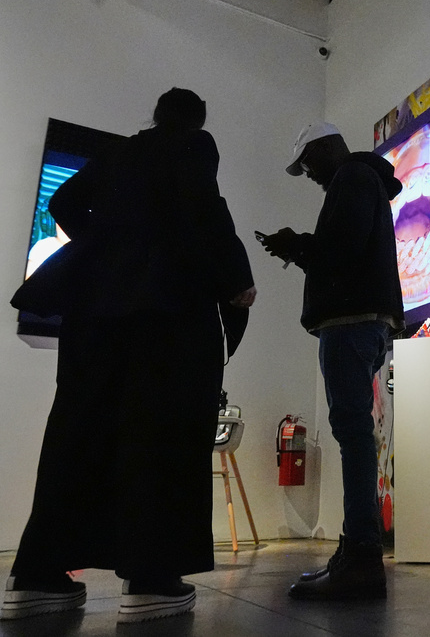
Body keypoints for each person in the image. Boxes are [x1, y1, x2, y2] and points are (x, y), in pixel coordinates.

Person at [1, 88, 256, 624]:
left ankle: (35, 579)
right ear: (195, 121)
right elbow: (204, 207)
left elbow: (62, 202)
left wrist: (110, 248)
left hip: (93, 318)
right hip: (168, 316)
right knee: (162, 435)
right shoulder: (193, 145)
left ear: (156, 115)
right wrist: (236, 277)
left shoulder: (116, 153)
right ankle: (151, 581)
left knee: (76, 434)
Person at [261, 121, 404, 601]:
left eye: (307, 163)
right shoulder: (363, 179)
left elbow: (341, 252)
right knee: (354, 432)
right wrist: (299, 247)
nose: (309, 174)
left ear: (324, 147)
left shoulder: (351, 177)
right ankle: (357, 551)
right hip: (363, 321)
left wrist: (297, 243)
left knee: (352, 434)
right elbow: (347, 252)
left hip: (349, 321)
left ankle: (361, 556)